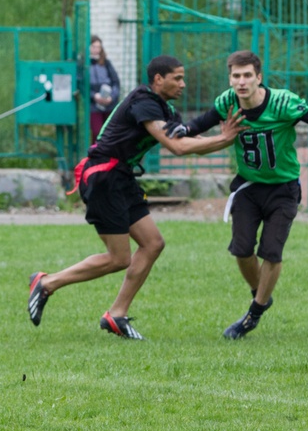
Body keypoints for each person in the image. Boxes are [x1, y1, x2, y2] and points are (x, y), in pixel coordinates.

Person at [27, 55, 243, 340]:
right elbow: (174, 147)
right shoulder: (144, 103)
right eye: (177, 78)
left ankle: (116, 315)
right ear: (158, 79)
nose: (183, 84)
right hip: (103, 178)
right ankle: (47, 282)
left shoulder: (164, 108)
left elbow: (187, 140)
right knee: (118, 258)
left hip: (122, 177)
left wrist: (222, 136)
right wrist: (224, 139)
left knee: (153, 244)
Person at [169, 51, 308, 339]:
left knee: (271, 251)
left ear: (259, 77)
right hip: (248, 187)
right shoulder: (228, 101)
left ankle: (254, 313)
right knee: (241, 249)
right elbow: (204, 121)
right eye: (236, 76)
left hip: (283, 189)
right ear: (230, 79)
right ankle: (262, 292)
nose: (241, 81)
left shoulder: (283, 102)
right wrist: (183, 128)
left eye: (247, 75)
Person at [88, 35, 121, 142]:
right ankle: (96, 155)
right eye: (94, 47)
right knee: (97, 132)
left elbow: (116, 82)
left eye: (98, 47)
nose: (96, 50)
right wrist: (94, 96)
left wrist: (111, 97)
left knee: (110, 132)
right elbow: (82, 85)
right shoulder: (84, 64)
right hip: (93, 105)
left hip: (109, 103)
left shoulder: (106, 63)